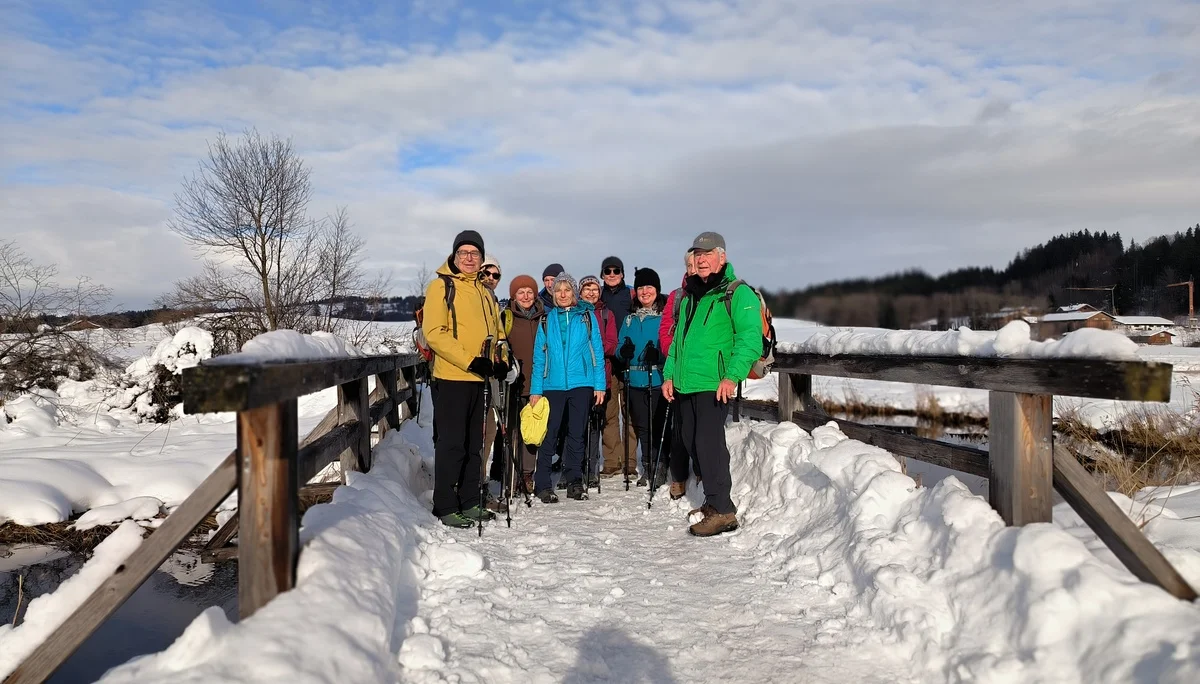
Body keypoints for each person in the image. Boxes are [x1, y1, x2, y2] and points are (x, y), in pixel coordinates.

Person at [662, 232, 760, 537]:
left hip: (715, 383)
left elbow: (749, 340)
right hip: (686, 382)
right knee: (691, 440)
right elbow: (679, 340)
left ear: (722, 257)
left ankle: (723, 510)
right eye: (697, 255)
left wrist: (732, 376)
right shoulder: (691, 294)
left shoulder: (737, 293)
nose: (702, 259)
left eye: (708, 254)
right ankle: (712, 501)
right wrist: (668, 375)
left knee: (708, 444)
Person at [421, 230, 509, 529]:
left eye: (475, 254)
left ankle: (471, 500)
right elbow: (435, 333)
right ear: (455, 256)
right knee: (452, 444)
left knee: (475, 444)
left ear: (482, 258)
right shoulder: (441, 286)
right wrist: (471, 361)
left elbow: (497, 335)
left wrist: (500, 362)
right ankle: (445, 504)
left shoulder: (485, 292)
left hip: (480, 379)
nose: (469, 258)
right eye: (464, 253)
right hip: (453, 377)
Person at [529, 272, 606, 503]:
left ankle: (575, 481)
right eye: (559, 290)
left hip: (581, 383)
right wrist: (536, 389)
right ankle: (542, 484)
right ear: (553, 294)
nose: (563, 294)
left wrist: (599, 385)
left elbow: (597, 354)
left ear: (574, 294)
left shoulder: (587, 317)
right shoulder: (546, 319)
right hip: (552, 384)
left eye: (567, 290)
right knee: (549, 434)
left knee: (576, 434)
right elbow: (538, 358)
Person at [618, 268, 670, 489]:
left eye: (649, 287)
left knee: (658, 425)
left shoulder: (664, 318)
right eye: (640, 288)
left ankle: (661, 465)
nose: (644, 291)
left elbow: (671, 346)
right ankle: (648, 466)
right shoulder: (629, 320)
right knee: (643, 427)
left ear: (657, 290)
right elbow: (620, 347)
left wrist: (658, 354)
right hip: (636, 380)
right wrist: (625, 352)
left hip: (657, 379)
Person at [498, 274, 545, 496]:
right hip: (513, 382)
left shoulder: (544, 317)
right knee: (512, 431)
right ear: (513, 296)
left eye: (529, 291)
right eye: (521, 292)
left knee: (532, 431)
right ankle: (510, 475)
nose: (526, 296)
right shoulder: (505, 317)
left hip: (538, 383)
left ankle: (527, 474)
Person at [659, 250, 701, 499]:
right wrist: (674, 353)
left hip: (705, 371)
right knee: (680, 427)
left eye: (696, 263)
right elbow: (666, 331)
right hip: (678, 370)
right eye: (689, 264)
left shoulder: (715, 294)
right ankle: (679, 477)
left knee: (702, 427)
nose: (693, 267)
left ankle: (702, 470)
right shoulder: (677, 297)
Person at [598, 256, 637, 478]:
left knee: (630, 412)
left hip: (629, 361)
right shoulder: (599, 296)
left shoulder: (630, 295)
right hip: (608, 362)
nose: (612, 275)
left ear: (622, 274)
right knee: (609, 413)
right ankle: (612, 460)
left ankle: (630, 461)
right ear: (603, 274)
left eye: (616, 271)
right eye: (608, 271)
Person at [578, 275, 618, 483]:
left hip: (601, 377)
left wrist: (591, 349)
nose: (591, 292)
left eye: (594, 289)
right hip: (577, 377)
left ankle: (592, 468)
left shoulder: (606, 314)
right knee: (576, 425)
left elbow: (612, 344)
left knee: (594, 424)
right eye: (587, 289)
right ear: (580, 292)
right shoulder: (575, 313)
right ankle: (575, 467)